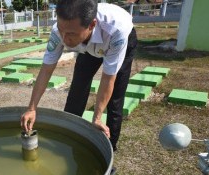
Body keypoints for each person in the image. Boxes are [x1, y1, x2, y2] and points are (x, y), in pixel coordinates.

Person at [20, 0, 137, 151]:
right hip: (87, 45)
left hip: (116, 40)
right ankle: (67, 138)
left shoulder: (116, 32)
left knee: (115, 99)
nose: (65, 38)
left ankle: (110, 148)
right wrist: (32, 108)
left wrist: (97, 118)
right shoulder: (59, 32)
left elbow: (108, 78)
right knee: (77, 89)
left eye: (71, 34)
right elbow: (46, 70)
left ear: (91, 25)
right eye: (62, 30)